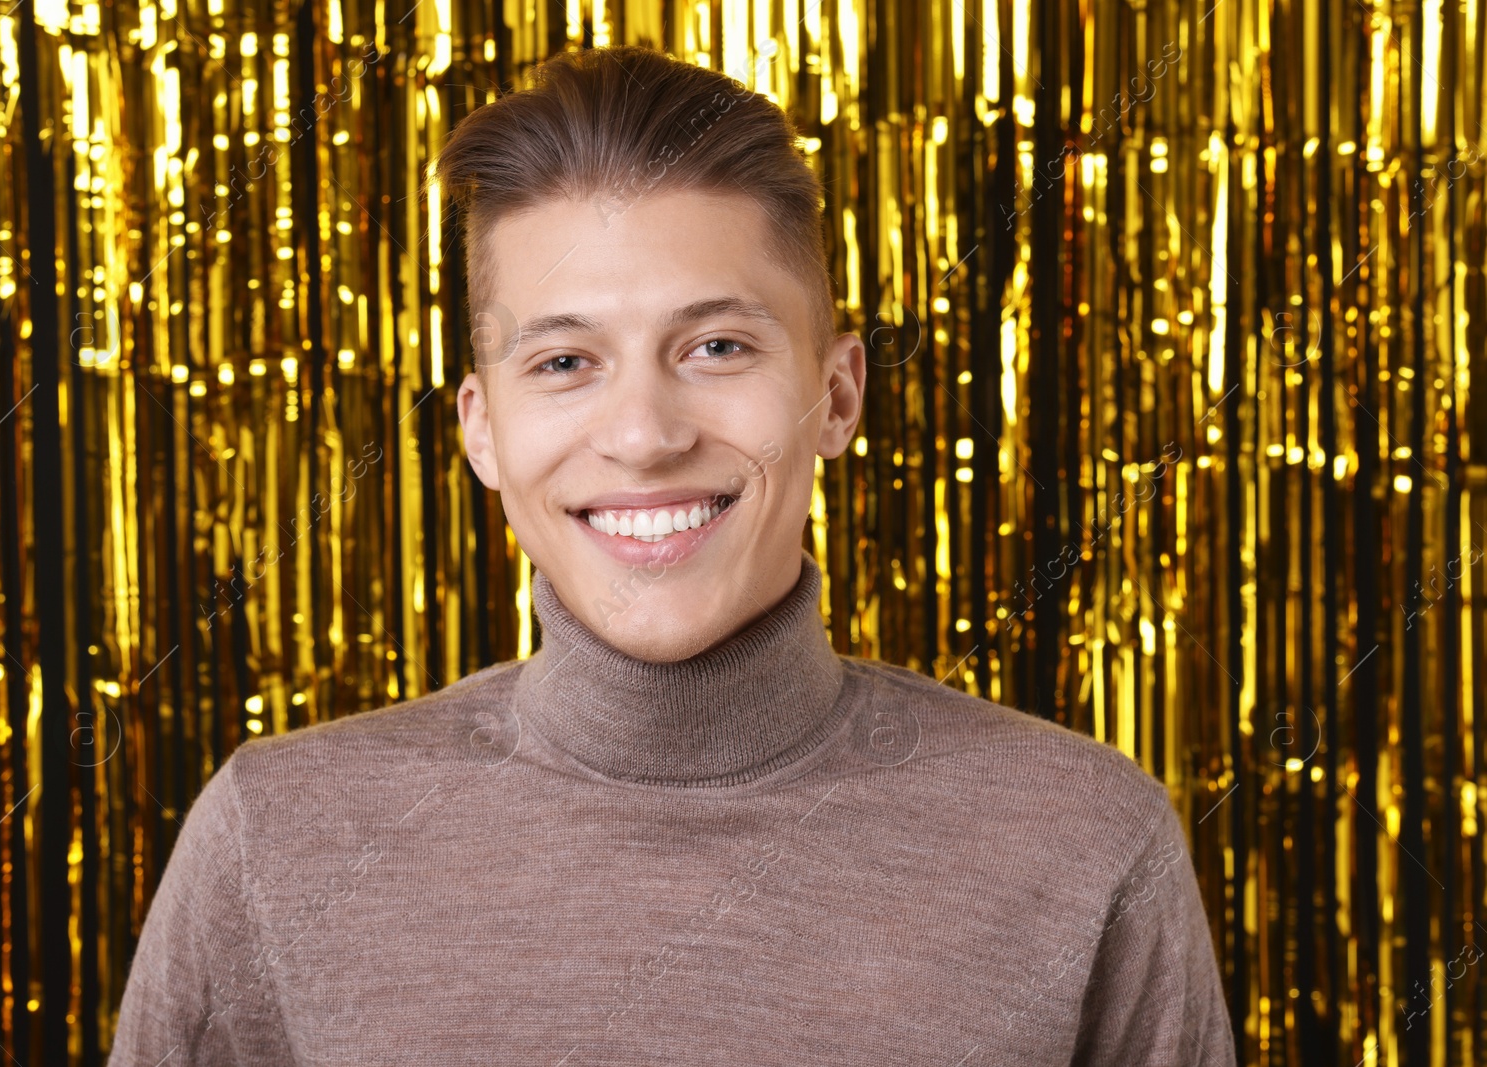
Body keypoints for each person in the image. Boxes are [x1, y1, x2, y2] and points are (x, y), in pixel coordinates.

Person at [108, 45, 1235, 1066]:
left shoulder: (1087, 839)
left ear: (836, 393)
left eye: (715, 346)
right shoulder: (278, 835)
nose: (644, 435)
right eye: (562, 362)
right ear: (481, 429)